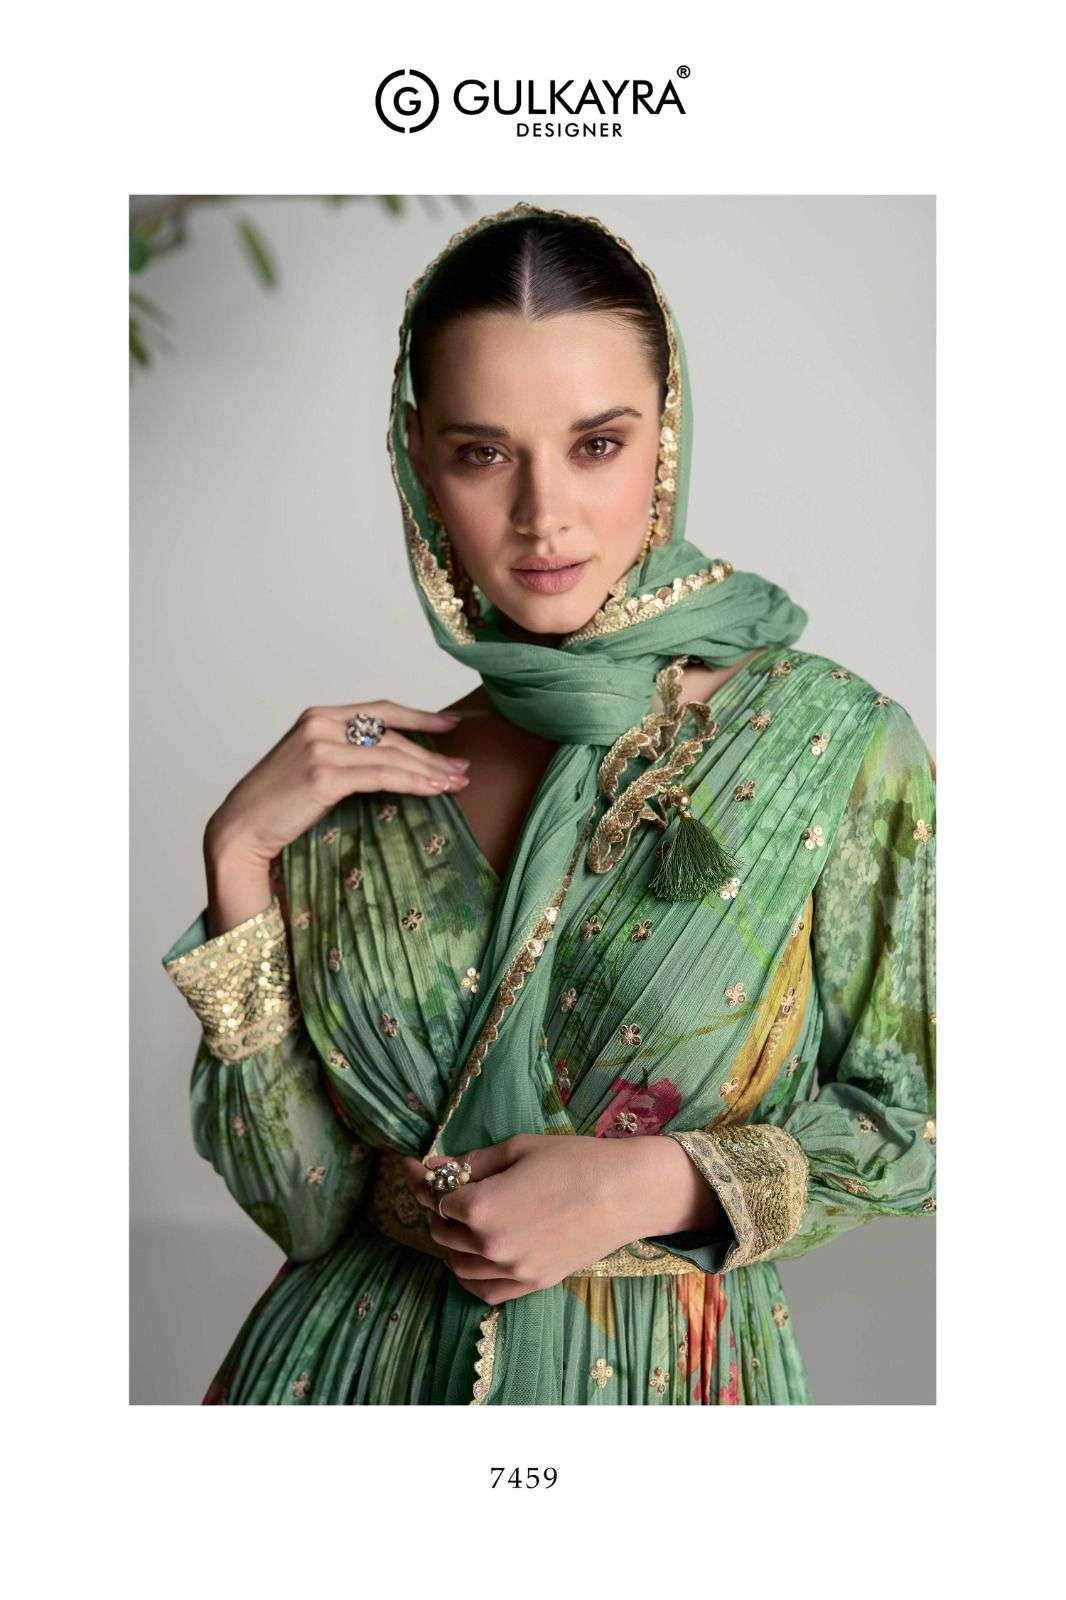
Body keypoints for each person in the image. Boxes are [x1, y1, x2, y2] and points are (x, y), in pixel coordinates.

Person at [160, 200, 936, 1405]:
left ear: (664, 435)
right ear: (418, 460)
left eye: (595, 444)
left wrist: (650, 1183)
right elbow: (303, 1210)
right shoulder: (357, 799)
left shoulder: (828, 747)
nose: (543, 516)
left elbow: (921, 1125)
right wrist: (239, 858)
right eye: (483, 453)